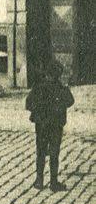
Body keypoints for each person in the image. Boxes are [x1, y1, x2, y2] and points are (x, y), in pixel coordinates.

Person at [26, 59, 75, 192]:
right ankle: (53, 182)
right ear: (58, 75)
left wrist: (38, 111)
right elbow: (70, 101)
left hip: (41, 124)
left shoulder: (38, 86)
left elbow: (28, 103)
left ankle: (39, 181)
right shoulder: (60, 88)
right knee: (54, 153)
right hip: (55, 125)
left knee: (41, 151)